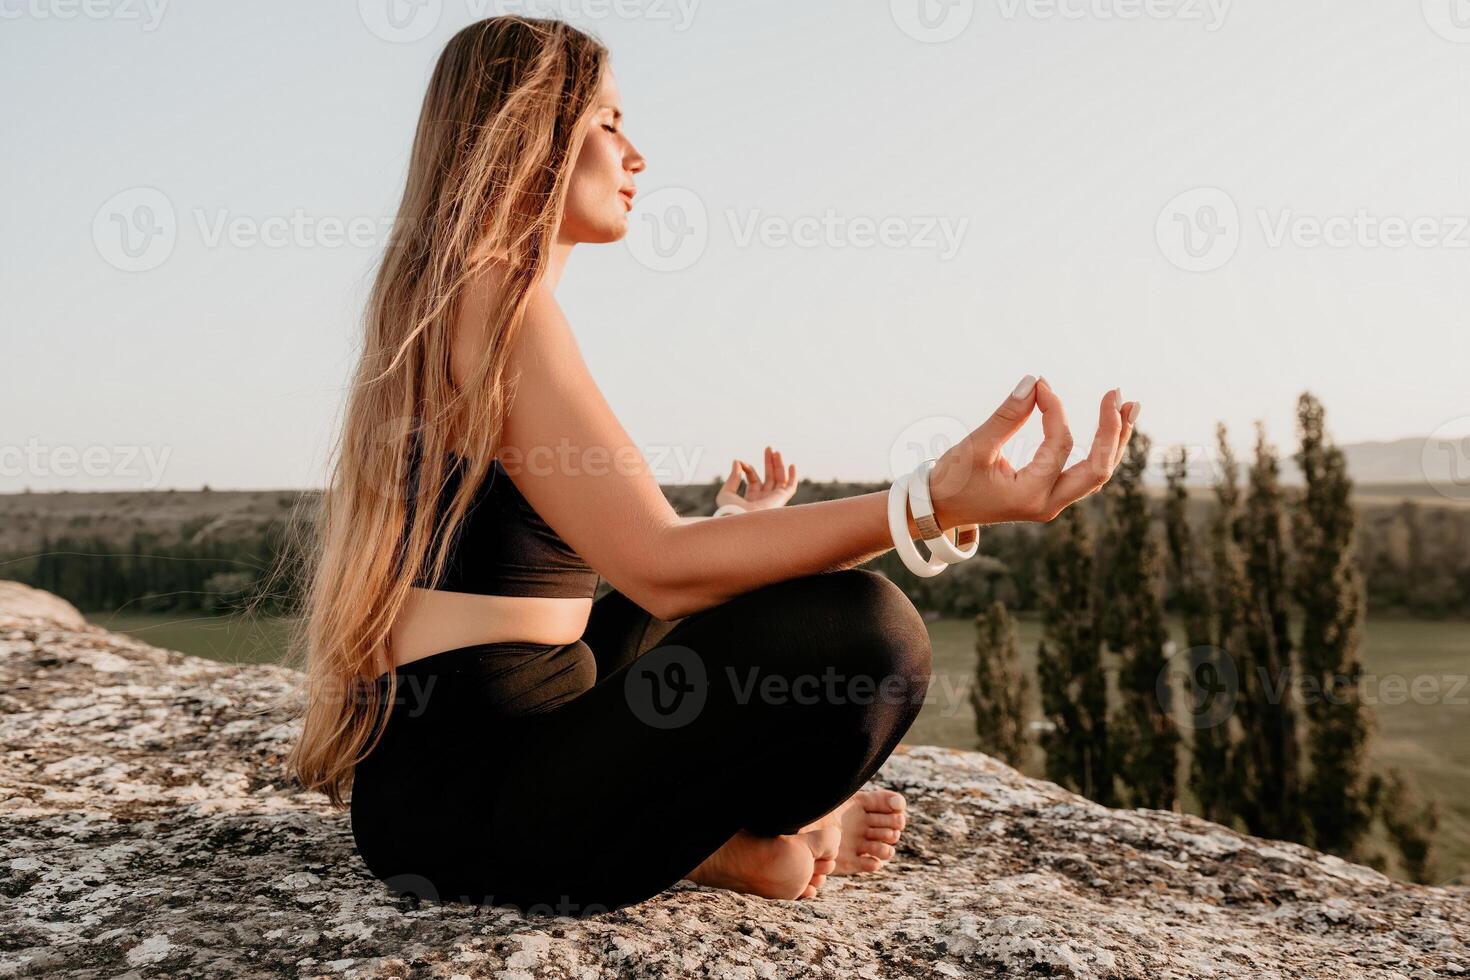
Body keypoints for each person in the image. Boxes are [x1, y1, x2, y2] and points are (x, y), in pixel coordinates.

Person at [284, 15, 1138, 917]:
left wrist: (736, 538)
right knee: (866, 634)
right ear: (527, 134)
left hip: (448, 783)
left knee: (734, 597)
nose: (637, 155)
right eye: (608, 123)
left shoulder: (455, 300)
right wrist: (928, 502)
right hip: (479, 798)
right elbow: (659, 565)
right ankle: (717, 842)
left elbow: (625, 575)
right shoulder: (498, 303)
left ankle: (704, 844)